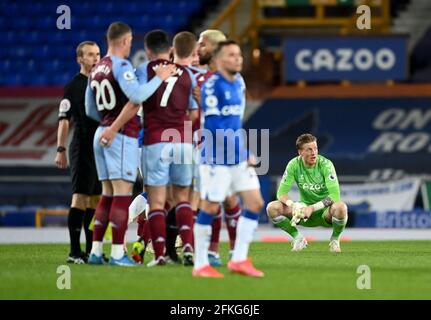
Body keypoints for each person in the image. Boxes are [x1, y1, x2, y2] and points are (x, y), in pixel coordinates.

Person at [85, 22, 175, 266]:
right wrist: (159, 79)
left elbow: (89, 109)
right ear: (124, 41)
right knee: (122, 195)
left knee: (106, 195)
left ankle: (95, 252)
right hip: (121, 135)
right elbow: (136, 97)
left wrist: (107, 123)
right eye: (130, 40)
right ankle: (116, 254)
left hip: (101, 131)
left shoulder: (97, 68)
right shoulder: (120, 65)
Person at [193, 40, 264, 278]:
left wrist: (241, 151)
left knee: (254, 203)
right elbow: (214, 125)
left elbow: (234, 123)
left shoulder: (240, 82)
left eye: (239, 55)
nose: (238, 58)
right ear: (220, 59)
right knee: (211, 208)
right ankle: (200, 264)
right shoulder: (212, 86)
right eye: (232, 55)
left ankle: (239, 259)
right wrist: (244, 152)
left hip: (236, 158)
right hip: (215, 159)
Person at [136, 29, 199, 267]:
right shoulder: (186, 74)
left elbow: (135, 98)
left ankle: (160, 254)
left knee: (157, 201)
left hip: (154, 141)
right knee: (184, 198)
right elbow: (194, 113)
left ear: (147, 51)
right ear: (170, 50)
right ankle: (189, 248)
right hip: (182, 142)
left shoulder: (143, 70)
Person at [194, 30, 244, 267]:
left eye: (202, 44)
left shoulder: (230, 79)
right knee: (213, 200)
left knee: (228, 200)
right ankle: (211, 253)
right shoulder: (202, 79)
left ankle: (229, 251)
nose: (198, 48)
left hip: (223, 148)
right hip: (202, 147)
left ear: (214, 49)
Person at [55, 41, 101, 264]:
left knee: (95, 200)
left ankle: (92, 251)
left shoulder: (101, 83)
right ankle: (74, 252)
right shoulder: (73, 86)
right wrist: (61, 148)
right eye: (90, 55)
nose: (95, 58)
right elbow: (64, 121)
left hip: (101, 148)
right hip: (82, 146)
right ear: (79, 59)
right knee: (80, 198)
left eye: (98, 54)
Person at [266, 133, 348, 253]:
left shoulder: (326, 165)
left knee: (341, 207)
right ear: (300, 152)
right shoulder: (293, 164)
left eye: (315, 148)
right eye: (309, 149)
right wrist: (293, 205)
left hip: (325, 212)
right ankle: (298, 239)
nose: (314, 152)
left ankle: (335, 240)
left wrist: (312, 208)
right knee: (272, 208)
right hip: (303, 212)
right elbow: (281, 193)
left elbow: (335, 196)